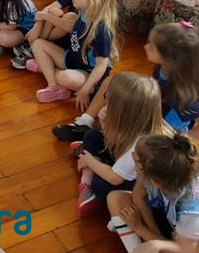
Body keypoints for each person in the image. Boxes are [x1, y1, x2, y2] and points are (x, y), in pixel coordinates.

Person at [52, 21, 199, 142]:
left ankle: (107, 144)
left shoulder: (184, 98)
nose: (145, 46)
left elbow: (164, 131)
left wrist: (125, 116)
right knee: (113, 82)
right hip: (151, 107)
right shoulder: (163, 66)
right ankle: (85, 123)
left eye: (151, 46)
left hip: (159, 130)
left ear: (169, 57)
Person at [72, 73, 172, 217]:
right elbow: (115, 141)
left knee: (99, 185)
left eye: (108, 100)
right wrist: (104, 124)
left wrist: (89, 161)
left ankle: (87, 184)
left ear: (122, 112)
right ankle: (94, 165)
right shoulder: (143, 121)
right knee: (91, 136)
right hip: (125, 163)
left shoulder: (140, 144)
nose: (105, 102)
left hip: (137, 187)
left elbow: (114, 178)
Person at [30, 0, 119, 105]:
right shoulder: (83, 11)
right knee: (38, 44)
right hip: (71, 59)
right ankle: (53, 86)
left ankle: (46, 68)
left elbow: (100, 67)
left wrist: (85, 90)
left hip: (87, 74)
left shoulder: (102, 30)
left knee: (66, 78)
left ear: (93, 0)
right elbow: (71, 27)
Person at [107, 134, 199, 252]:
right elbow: (138, 196)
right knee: (116, 198)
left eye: (136, 160)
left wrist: (140, 228)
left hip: (188, 245)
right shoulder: (161, 171)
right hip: (174, 227)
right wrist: (153, 233)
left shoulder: (190, 211)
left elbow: (185, 250)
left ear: (154, 181)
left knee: (152, 247)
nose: (132, 156)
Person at [11, 0, 106, 70]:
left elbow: (72, 27)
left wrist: (44, 17)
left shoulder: (90, 8)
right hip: (61, 34)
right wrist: (37, 26)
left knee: (70, 16)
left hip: (73, 44)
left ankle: (36, 46)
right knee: (54, 11)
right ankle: (36, 44)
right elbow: (49, 8)